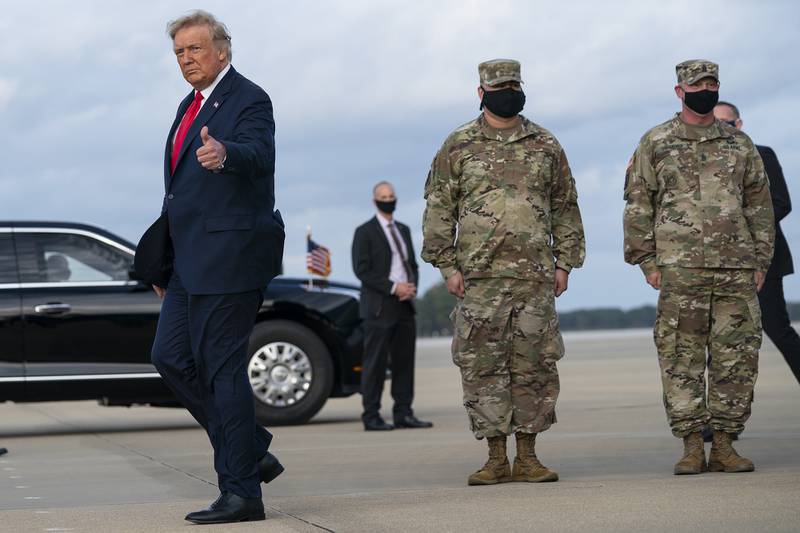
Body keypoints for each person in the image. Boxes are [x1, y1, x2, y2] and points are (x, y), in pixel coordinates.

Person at [148, 10, 285, 524]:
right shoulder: (189, 105)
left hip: (231, 256)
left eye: (195, 49)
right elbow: (179, 193)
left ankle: (242, 492)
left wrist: (226, 153)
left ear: (222, 50)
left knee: (223, 370)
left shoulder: (249, 98)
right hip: (188, 261)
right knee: (170, 356)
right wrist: (164, 261)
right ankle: (249, 447)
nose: (186, 59)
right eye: (179, 52)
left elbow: (259, 153)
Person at [422, 59, 585, 486]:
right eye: (499, 86)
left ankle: (529, 456)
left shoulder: (545, 144)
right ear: (481, 92)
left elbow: (566, 208)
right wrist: (447, 266)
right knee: (482, 366)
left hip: (534, 276)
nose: (507, 91)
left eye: (513, 85)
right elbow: (439, 209)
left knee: (535, 366)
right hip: (479, 278)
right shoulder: (458, 145)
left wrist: (565, 262)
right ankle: (495, 457)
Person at [623, 60, 775, 475]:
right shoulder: (656, 142)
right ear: (679, 91)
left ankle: (725, 444)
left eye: (712, 84)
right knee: (680, 358)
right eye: (697, 84)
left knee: (736, 359)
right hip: (679, 270)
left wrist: (760, 260)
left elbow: (759, 206)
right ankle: (692, 444)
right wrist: (647, 262)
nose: (704, 90)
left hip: (735, 268)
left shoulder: (739, 144)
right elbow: (639, 204)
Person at [714, 101, 800, 385]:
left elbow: (781, 203)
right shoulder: (703, 162)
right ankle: (721, 420)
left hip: (763, 258)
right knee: (720, 339)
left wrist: (739, 227)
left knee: (777, 328)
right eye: (715, 123)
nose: (722, 129)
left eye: (727, 123)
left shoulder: (762, 155)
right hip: (717, 263)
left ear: (739, 125)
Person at [351, 181, 433, 431]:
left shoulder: (404, 230)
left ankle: (403, 413)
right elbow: (362, 270)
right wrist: (392, 287)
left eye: (392, 195)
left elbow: (413, 266)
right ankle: (371, 415)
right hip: (379, 306)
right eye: (384, 196)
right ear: (375, 200)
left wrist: (410, 287)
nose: (389, 199)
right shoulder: (364, 232)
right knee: (375, 364)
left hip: (405, 306)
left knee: (404, 363)